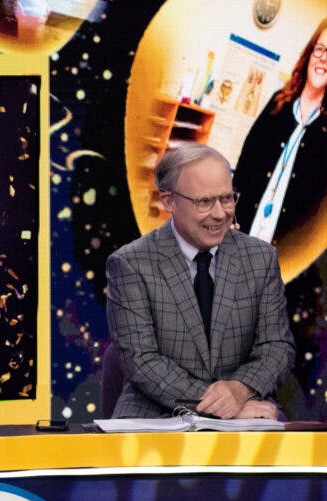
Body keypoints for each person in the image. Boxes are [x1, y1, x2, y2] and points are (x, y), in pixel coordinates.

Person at [106, 143, 294, 419]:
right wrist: (220, 407)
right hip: (155, 410)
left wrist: (239, 391)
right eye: (204, 202)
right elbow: (141, 361)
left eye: (227, 198)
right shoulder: (130, 264)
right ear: (168, 201)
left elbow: (276, 346)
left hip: (246, 405)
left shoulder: (261, 258)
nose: (220, 214)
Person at [233, 18, 327, 247]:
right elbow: (245, 165)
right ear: (310, 52)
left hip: (284, 253)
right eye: (320, 49)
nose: (323, 58)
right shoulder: (278, 104)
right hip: (242, 234)